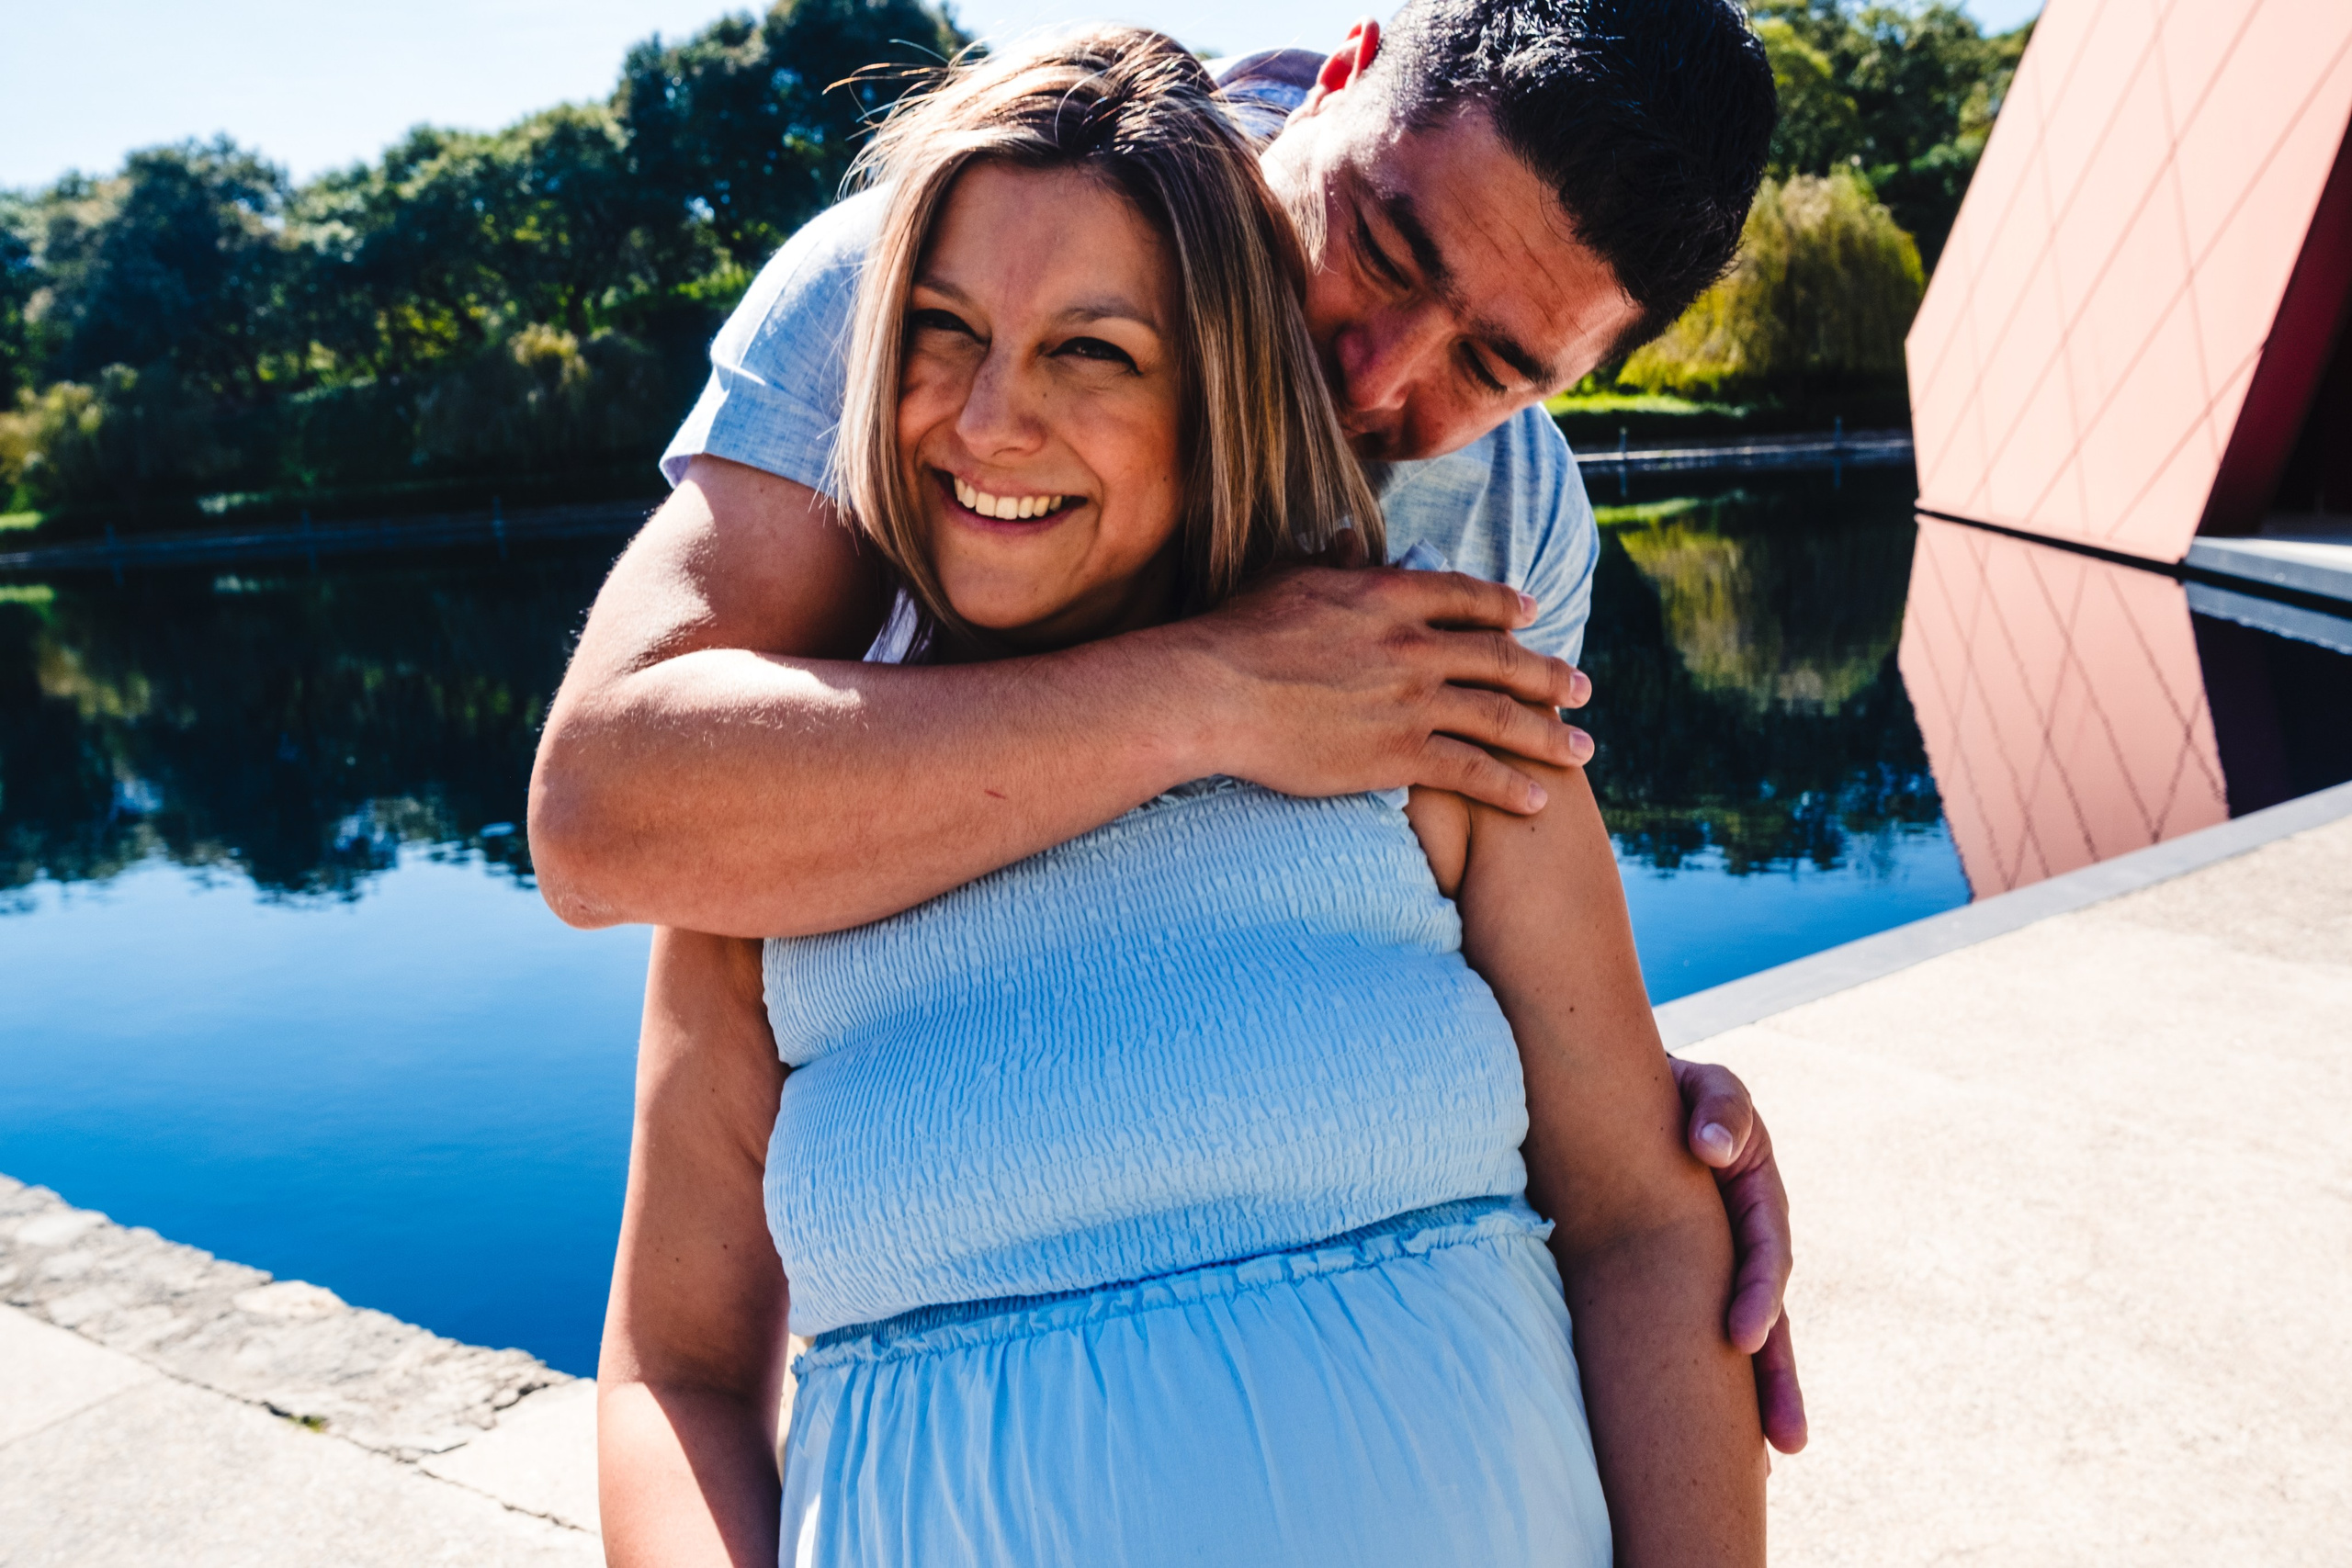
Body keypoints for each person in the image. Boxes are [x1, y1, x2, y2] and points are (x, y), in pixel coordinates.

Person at [533, 0, 1804, 1443]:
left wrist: (1644, 1131)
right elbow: (603, 813)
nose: (1380, 378)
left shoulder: (1514, 521)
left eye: (1496, 368)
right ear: (1344, 71)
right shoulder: (942, 279)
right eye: (1385, 251)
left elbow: (1500, 960)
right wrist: (1215, 693)